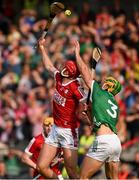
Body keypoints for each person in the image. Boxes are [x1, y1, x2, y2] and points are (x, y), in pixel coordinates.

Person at [36, 38, 86, 179]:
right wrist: (42, 48)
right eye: (64, 67)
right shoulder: (58, 77)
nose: (63, 70)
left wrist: (88, 113)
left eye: (66, 69)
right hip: (55, 129)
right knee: (41, 167)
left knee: (71, 172)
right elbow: (49, 66)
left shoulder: (75, 88)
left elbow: (86, 102)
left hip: (69, 132)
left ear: (71, 74)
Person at [74, 40, 122, 179]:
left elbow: (85, 73)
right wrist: (89, 113)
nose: (102, 82)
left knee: (82, 177)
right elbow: (94, 125)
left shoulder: (100, 93)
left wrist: (77, 54)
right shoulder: (113, 104)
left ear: (108, 86)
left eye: (105, 81)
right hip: (115, 142)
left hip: (104, 141)